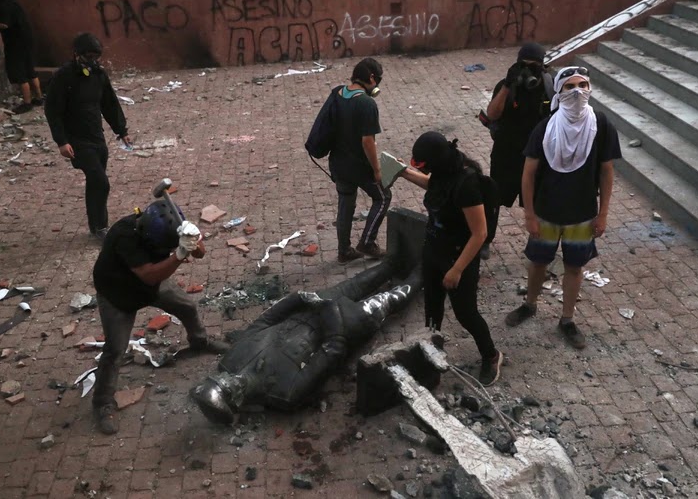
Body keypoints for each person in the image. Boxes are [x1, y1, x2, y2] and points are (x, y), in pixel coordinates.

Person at [191, 255, 421, 424]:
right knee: (391, 299)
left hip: (309, 309)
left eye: (221, 380)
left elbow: (265, 321)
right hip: (343, 326)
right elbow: (333, 351)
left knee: (358, 283)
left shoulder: (231, 360)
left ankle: (393, 262)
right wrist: (332, 317)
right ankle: (423, 273)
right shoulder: (284, 392)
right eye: (228, 389)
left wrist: (299, 299)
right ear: (237, 402)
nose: (230, 379)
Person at [504, 66, 621, 349]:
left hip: (582, 216)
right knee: (538, 263)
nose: (578, 91)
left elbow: (606, 172)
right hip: (546, 212)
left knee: (574, 267)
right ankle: (530, 304)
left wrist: (603, 213)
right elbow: (528, 174)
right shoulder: (545, 128)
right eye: (570, 86)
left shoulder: (601, 125)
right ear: (559, 91)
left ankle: (567, 319)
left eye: (583, 85)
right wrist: (529, 214)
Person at [91, 200, 229, 434]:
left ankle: (199, 342)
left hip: (150, 286)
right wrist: (179, 254)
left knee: (187, 307)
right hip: (117, 294)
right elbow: (149, 275)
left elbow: (200, 254)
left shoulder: (174, 227)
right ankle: (102, 403)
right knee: (115, 350)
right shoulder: (124, 235)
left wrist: (193, 239)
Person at [397, 132, 503, 386]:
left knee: (465, 313)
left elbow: (480, 233)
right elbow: (434, 186)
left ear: (435, 161)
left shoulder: (467, 185)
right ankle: (431, 353)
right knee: (432, 309)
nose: (422, 170)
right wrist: (403, 172)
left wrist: (456, 270)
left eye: (422, 165)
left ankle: (491, 355)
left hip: (459, 256)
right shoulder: (443, 171)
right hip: (433, 250)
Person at [45, 33, 130, 241]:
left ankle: (95, 225)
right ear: (77, 54)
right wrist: (62, 141)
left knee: (95, 182)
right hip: (76, 140)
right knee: (100, 181)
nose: (92, 61)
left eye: (95, 57)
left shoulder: (98, 75)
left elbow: (109, 104)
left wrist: (121, 131)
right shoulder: (63, 77)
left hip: (96, 137)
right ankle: (101, 226)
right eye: (88, 57)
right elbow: (53, 111)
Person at [483, 42, 553, 260]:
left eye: (534, 66)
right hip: (506, 153)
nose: (528, 71)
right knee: (494, 198)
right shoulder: (508, 85)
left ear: (542, 67)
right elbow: (492, 114)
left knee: (537, 202)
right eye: (524, 65)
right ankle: (485, 239)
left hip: (536, 156)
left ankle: (537, 242)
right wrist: (507, 85)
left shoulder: (550, 86)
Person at [330, 57, 392, 264]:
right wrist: (377, 170)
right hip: (358, 166)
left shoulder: (337, 93)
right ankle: (367, 242)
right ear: (372, 78)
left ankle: (344, 251)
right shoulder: (366, 103)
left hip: (338, 163)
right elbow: (368, 142)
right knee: (383, 197)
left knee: (345, 203)